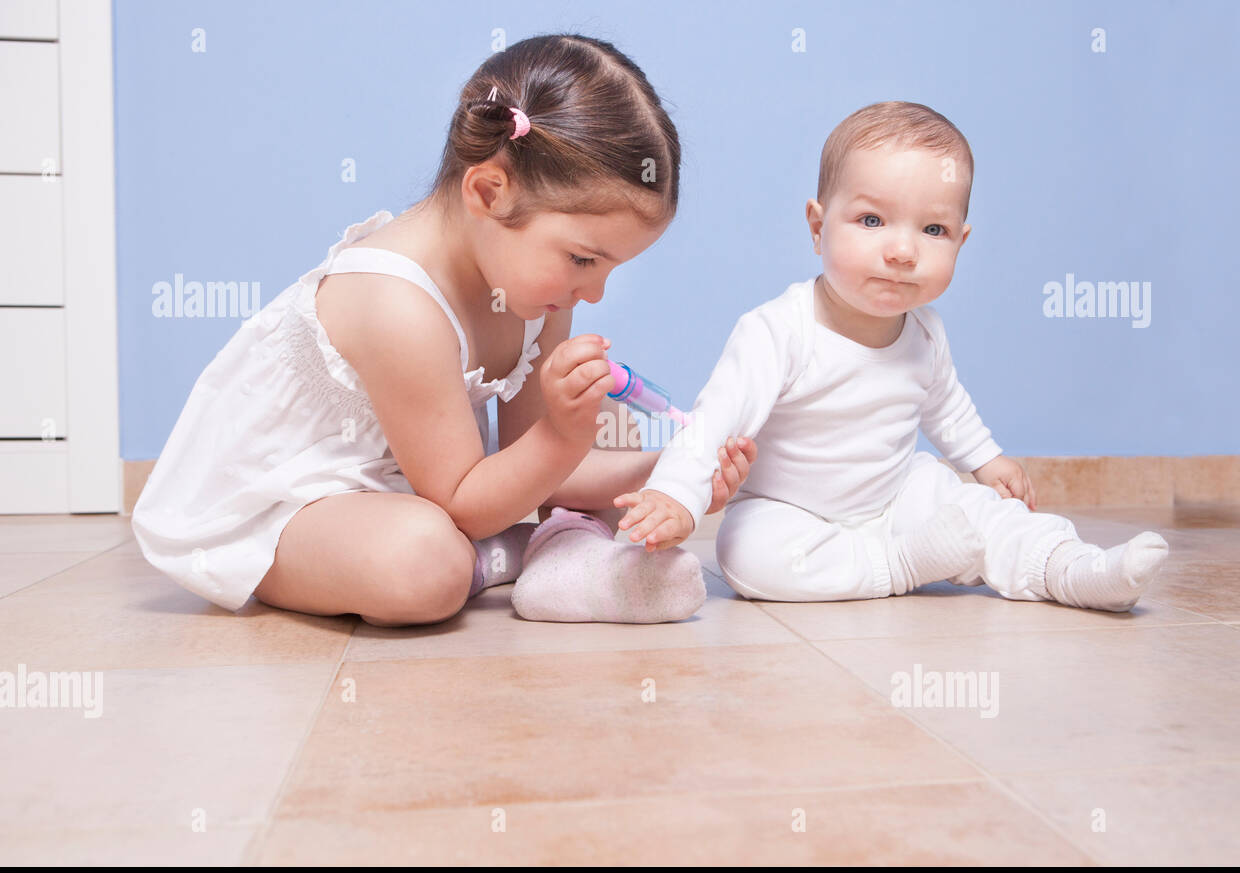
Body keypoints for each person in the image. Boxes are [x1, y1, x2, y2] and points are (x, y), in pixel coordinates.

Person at [131, 34, 757, 627]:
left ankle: (535, 554)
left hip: (422, 494)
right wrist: (562, 439)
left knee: (541, 506)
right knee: (426, 565)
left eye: (610, 268)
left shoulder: (538, 289)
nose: (593, 292)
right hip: (284, 505)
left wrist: (668, 469)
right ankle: (515, 558)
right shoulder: (395, 304)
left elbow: (528, 466)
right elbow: (466, 498)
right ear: (488, 191)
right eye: (584, 260)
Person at [614, 101, 1169, 612]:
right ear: (817, 226)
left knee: (982, 512)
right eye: (872, 221)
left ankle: (1070, 570)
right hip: (792, 512)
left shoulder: (925, 332)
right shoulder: (777, 330)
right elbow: (713, 422)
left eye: (933, 229)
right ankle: (898, 564)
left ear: (960, 242)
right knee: (749, 554)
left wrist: (986, 461)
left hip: (894, 498)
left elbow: (947, 408)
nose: (903, 251)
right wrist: (676, 496)